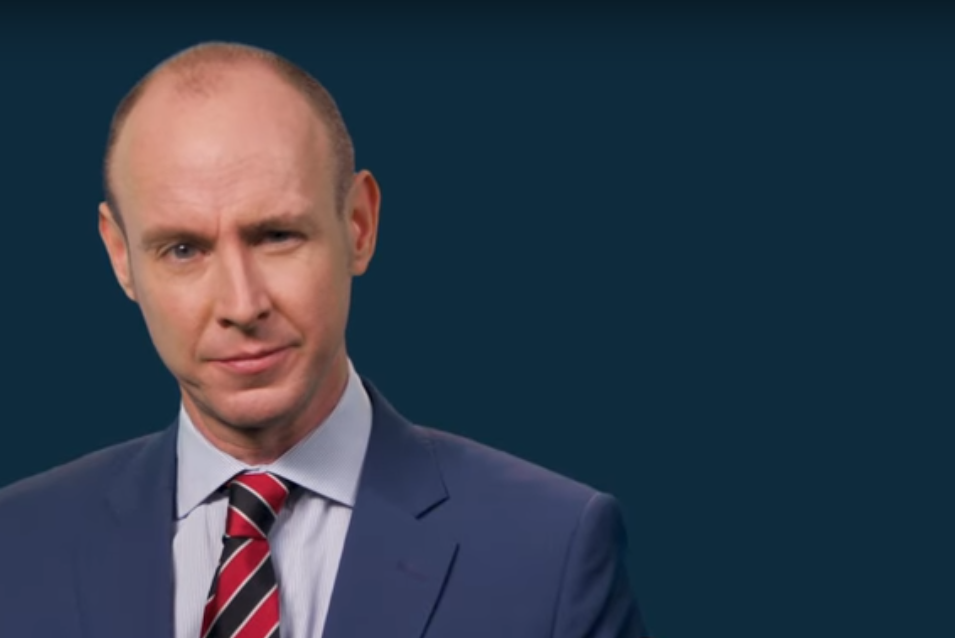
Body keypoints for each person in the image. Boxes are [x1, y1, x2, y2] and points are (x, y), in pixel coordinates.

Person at [0, 42, 647, 638]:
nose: (241, 304)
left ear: (358, 224)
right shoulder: (16, 546)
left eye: (277, 236)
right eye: (183, 249)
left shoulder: (553, 551)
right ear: (120, 256)